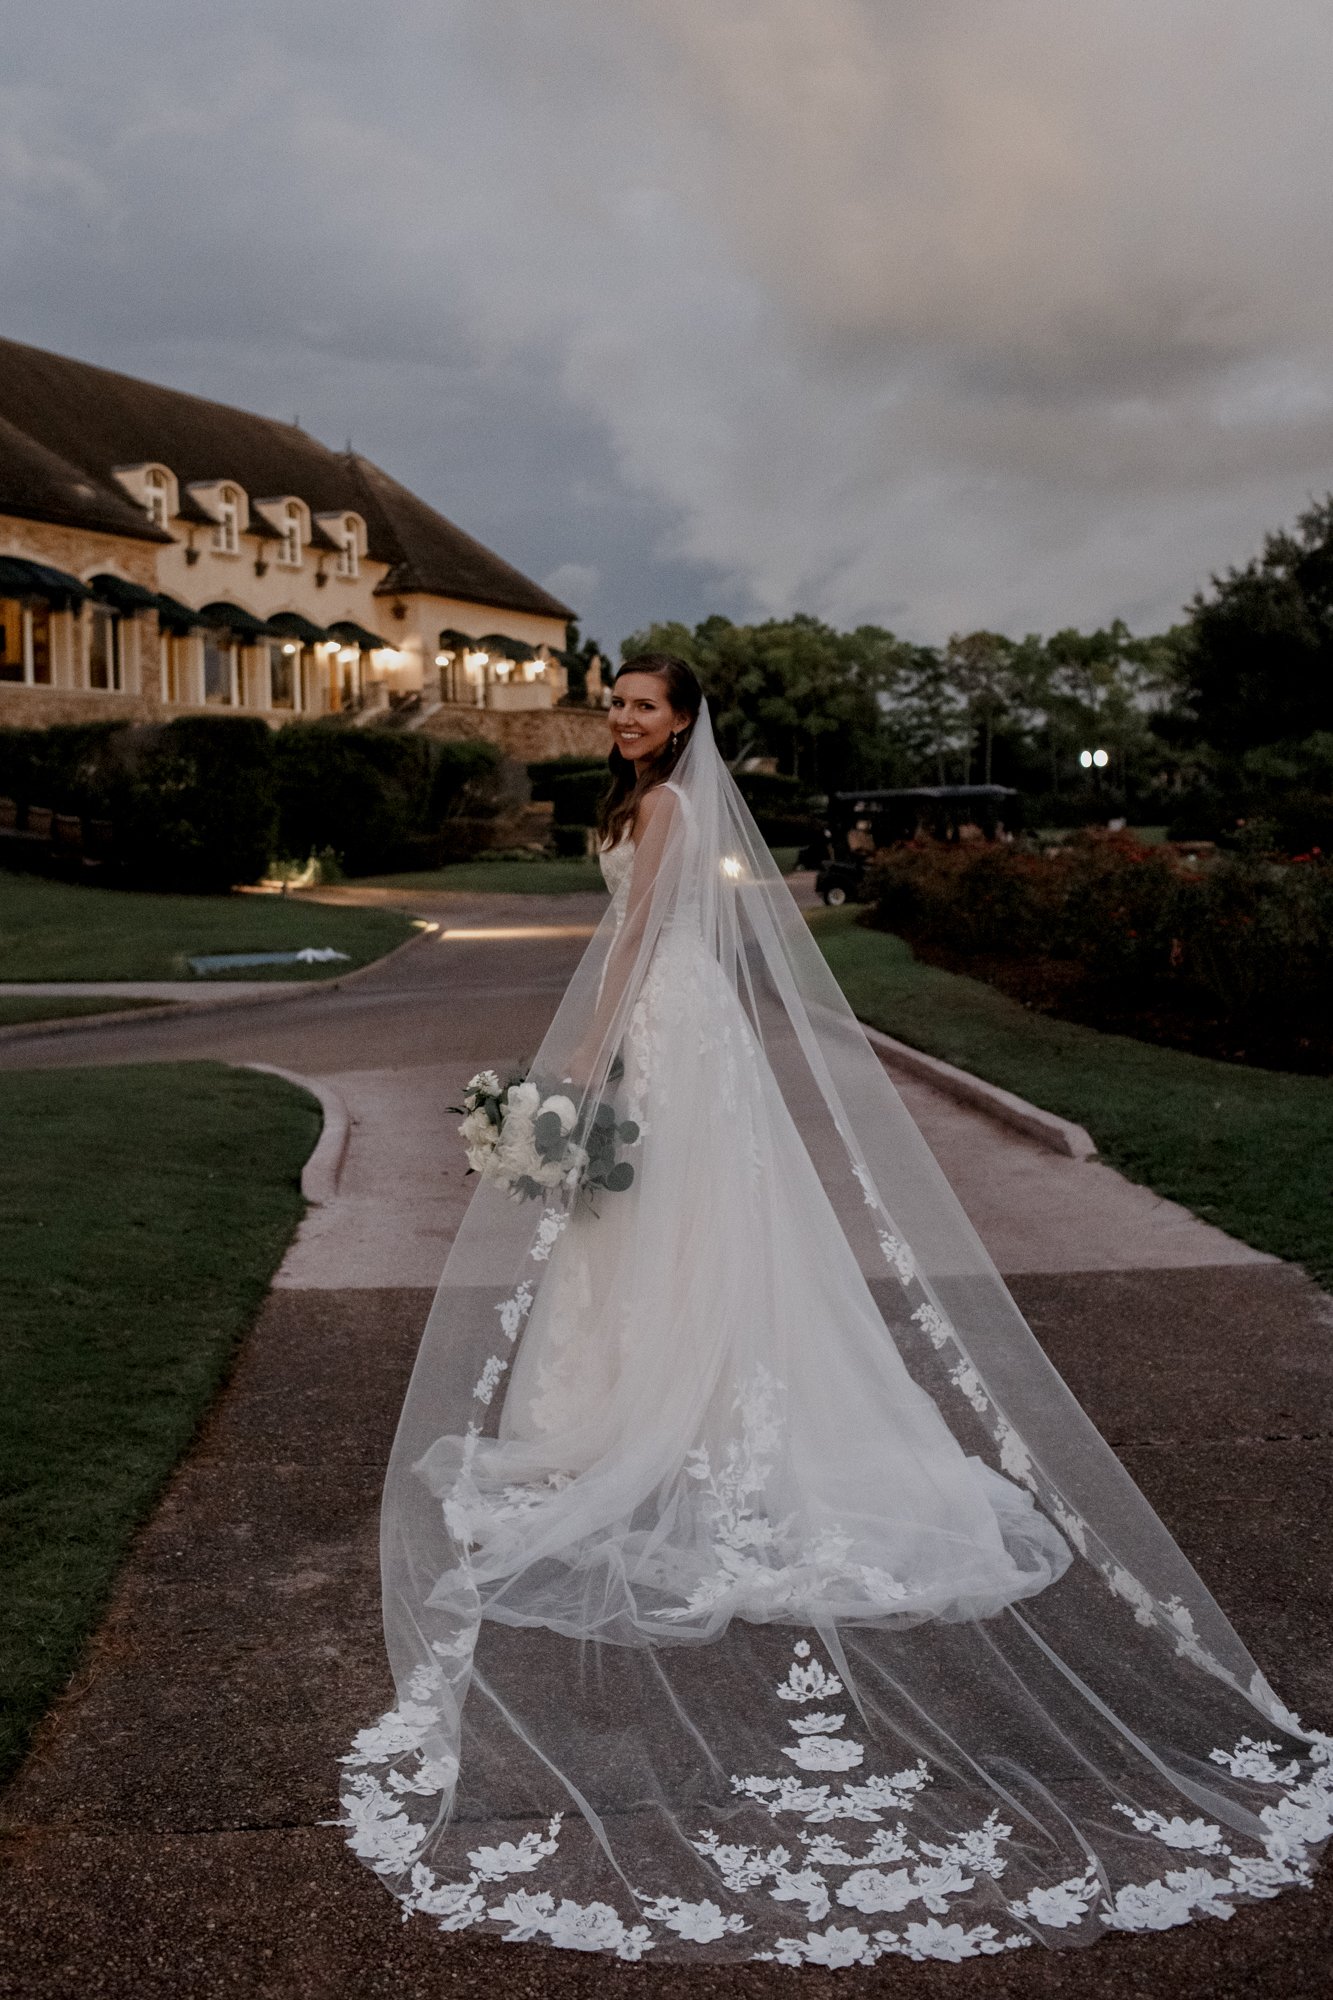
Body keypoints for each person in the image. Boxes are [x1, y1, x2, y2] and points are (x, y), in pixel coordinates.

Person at [339, 655, 1331, 1968]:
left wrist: (578, 1056)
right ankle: (637, 1406)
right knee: (640, 1228)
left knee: (679, 1220)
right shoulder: (632, 807)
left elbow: (635, 940)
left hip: (670, 1029)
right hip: (671, 1030)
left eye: (645, 707)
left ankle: (687, 1412)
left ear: (684, 721)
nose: (626, 721)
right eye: (617, 706)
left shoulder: (667, 811)